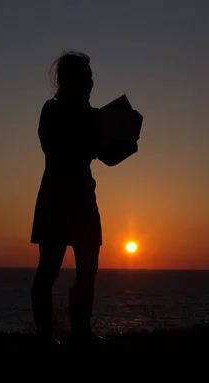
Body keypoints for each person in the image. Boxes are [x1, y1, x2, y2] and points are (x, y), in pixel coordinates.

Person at [29, 50, 140, 346]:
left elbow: (108, 157)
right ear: (71, 80)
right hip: (56, 198)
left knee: (88, 268)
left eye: (91, 78)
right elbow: (55, 147)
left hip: (83, 201)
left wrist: (131, 138)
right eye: (87, 77)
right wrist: (93, 138)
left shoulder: (92, 116)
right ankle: (44, 335)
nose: (92, 83)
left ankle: (81, 333)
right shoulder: (52, 110)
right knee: (49, 268)